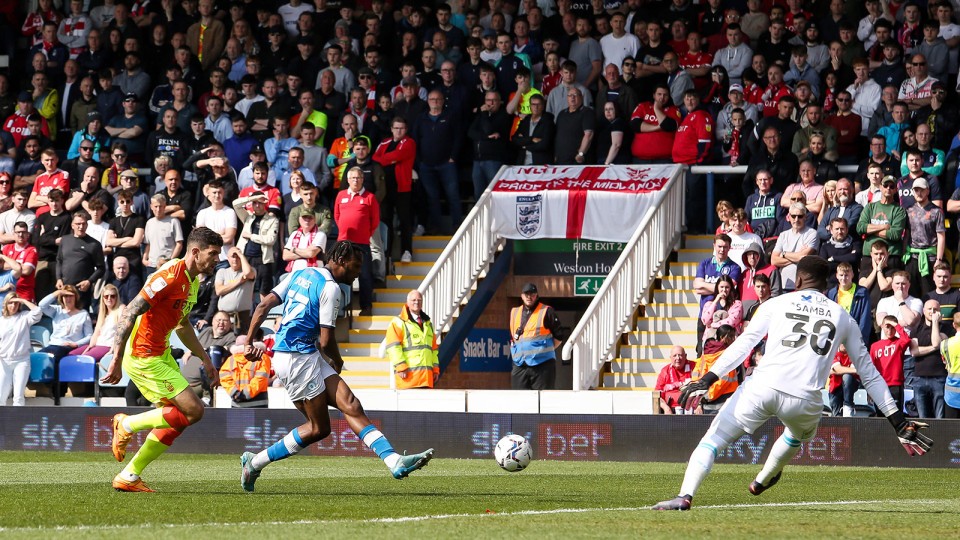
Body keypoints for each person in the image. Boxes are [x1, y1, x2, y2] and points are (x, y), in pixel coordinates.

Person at [652, 256, 933, 511]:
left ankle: (685, 495)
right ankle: (764, 477)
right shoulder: (842, 317)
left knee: (712, 441)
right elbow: (869, 373)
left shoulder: (776, 304)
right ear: (827, 284)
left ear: (797, 280)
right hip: (806, 399)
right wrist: (897, 421)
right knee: (797, 434)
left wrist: (708, 378)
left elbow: (744, 344)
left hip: (762, 387)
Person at [239, 241, 434, 491]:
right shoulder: (331, 288)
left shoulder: (301, 273)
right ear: (341, 260)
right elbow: (326, 340)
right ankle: (255, 462)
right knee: (318, 429)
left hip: (303, 355)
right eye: (356, 265)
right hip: (296, 359)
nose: (358, 272)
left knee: (351, 404)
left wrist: (249, 341)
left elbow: (263, 305)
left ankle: (394, 461)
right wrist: (338, 362)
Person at [101, 227, 225, 493]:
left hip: (162, 353)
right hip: (143, 356)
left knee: (179, 418)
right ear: (195, 252)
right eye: (213, 253)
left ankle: (129, 475)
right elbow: (130, 311)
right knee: (194, 410)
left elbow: (182, 325)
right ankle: (126, 424)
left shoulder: (193, 281)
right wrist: (116, 357)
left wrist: (205, 359)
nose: (217, 259)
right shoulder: (169, 277)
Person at [334, 167, 379, 316]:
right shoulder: (341, 195)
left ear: (362, 179)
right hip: (343, 243)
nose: (355, 180)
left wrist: (364, 234)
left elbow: (374, 221)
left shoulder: (369, 197)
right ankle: (339, 307)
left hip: (362, 244)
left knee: (364, 275)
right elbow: (337, 216)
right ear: (348, 180)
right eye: (353, 178)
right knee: (340, 273)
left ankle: (366, 307)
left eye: (358, 177)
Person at [509, 282, 562, 390]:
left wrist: (544, 350)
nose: (529, 297)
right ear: (522, 296)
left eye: (532, 294)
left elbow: (559, 337)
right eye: (526, 294)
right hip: (520, 364)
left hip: (542, 364)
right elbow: (513, 336)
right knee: (518, 398)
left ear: (536, 296)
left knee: (543, 398)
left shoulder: (546, 311)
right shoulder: (514, 312)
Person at [385, 290, 439, 389]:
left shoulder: (428, 324)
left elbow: (434, 350)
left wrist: (435, 370)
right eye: (413, 300)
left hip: (426, 379)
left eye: (419, 300)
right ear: (407, 302)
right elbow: (393, 347)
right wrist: (401, 367)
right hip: (408, 379)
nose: (416, 302)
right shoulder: (398, 322)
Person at [0, 294, 43, 406]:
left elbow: (38, 312)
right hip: (4, 361)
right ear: (6, 304)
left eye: (16, 303)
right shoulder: (1, 320)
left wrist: (22, 300)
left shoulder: (24, 316)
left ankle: (18, 417)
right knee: (1, 396)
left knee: (18, 396)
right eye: (10, 303)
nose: (13, 306)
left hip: (21, 361)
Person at [219, 335, 271, 408]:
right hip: (258, 404)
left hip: (237, 404)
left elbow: (224, 378)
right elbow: (260, 379)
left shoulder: (230, 360)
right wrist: (245, 394)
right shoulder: (262, 357)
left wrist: (235, 393)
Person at [80, 283, 124, 362]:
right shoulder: (102, 313)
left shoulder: (121, 309)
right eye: (106, 296)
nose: (109, 298)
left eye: (112, 296)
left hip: (108, 346)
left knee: (83, 360)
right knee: (72, 355)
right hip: (98, 344)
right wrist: (90, 346)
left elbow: (122, 331)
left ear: (117, 297)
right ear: (103, 298)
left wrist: (114, 348)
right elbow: (96, 332)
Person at [656, 346, 693, 414]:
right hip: (671, 409)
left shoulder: (694, 367)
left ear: (685, 356)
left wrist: (699, 405)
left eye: (680, 355)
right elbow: (657, 395)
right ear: (670, 358)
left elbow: (701, 387)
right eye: (674, 355)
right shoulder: (665, 371)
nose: (677, 358)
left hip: (691, 408)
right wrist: (666, 408)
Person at [940, 313, 960, 419]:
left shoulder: (945, 344)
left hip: (952, 393)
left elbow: (945, 362)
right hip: (952, 393)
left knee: (951, 426)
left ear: (954, 325)